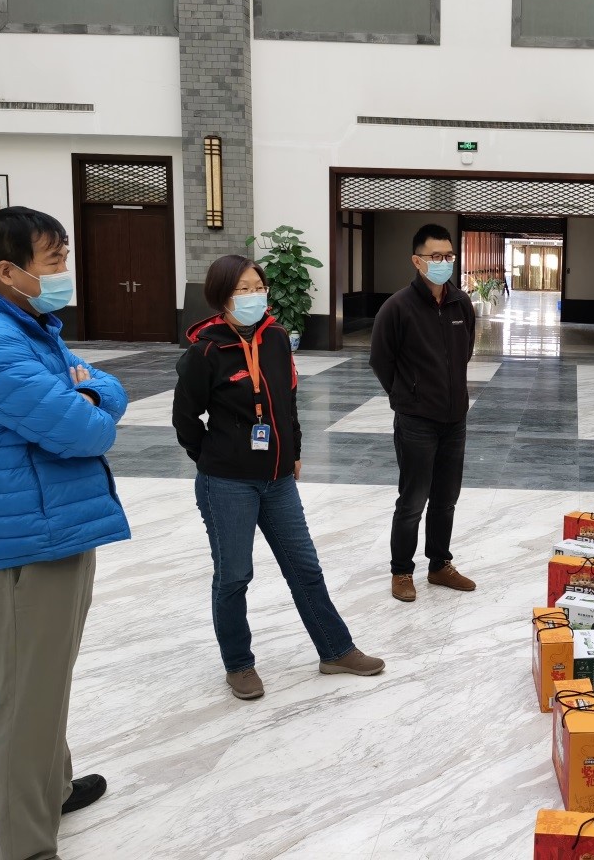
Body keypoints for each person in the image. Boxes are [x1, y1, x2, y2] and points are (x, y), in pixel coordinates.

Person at [0, 207, 130, 860]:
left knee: (45, 682)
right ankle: (23, 845)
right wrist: (89, 401)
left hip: (55, 527)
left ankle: (51, 789)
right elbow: (85, 429)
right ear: (8, 271)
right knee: (23, 699)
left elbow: (105, 387)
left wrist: (90, 393)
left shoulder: (26, 327)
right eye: (54, 261)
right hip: (26, 546)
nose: (65, 271)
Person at [173, 254, 383, 700]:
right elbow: (185, 418)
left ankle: (336, 650)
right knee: (234, 576)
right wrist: (211, 457)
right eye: (243, 289)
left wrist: (294, 451)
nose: (254, 296)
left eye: (258, 287)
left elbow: (287, 402)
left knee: (305, 568)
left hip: (278, 479)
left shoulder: (276, 339)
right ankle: (239, 664)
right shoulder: (205, 351)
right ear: (221, 297)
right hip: (227, 483)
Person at [370, 224, 478, 603]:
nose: (444, 262)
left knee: (446, 498)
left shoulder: (461, 304)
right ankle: (401, 570)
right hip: (416, 420)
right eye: (436, 256)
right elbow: (381, 360)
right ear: (417, 261)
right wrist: (408, 395)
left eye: (449, 256)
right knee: (413, 500)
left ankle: (439, 565)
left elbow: (465, 351)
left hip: (455, 419)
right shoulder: (397, 307)